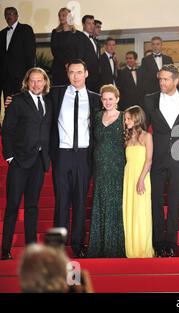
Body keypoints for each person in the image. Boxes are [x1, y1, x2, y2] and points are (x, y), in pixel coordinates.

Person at [49, 59, 102, 258]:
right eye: (72, 72)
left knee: (80, 201)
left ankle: (78, 244)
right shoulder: (56, 93)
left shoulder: (96, 98)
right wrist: (14, 99)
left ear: (86, 73)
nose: (75, 76)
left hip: (84, 155)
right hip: (62, 154)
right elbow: (34, 96)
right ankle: (58, 246)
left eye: (79, 72)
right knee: (61, 201)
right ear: (67, 73)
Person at [142, 64, 179, 257]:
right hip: (156, 156)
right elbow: (142, 127)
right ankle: (157, 243)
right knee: (155, 200)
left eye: (165, 79)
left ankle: (171, 243)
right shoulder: (149, 99)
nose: (161, 82)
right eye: (160, 79)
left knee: (174, 201)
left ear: (176, 80)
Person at [1, 68, 53, 260]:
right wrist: (10, 157)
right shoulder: (17, 101)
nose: (36, 84)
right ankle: (5, 249)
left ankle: (31, 248)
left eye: (40, 81)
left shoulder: (49, 102)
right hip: (20, 162)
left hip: (39, 162)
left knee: (32, 206)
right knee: (13, 205)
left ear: (45, 82)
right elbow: (7, 131)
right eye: (32, 81)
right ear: (27, 82)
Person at [88, 84, 126, 258]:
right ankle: (99, 245)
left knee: (115, 203)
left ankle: (115, 246)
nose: (107, 101)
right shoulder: (96, 117)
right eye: (104, 98)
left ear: (117, 99)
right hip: (100, 166)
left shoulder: (125, 117)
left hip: (117, 165)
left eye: (111, 98)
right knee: (101, 201)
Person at [122, 105, 154, 258]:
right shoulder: (126, 137)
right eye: (125, 119)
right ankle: (131, 249)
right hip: (128, 177)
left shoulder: (147, 136)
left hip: (142, 177)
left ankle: (142, 248)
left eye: (128, 118)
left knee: (141, 212)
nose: (126, 121)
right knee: (129, 211)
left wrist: (141, 179)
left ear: (136, 119)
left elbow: (148, 160)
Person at [0, 7, 36, 102]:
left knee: (21, 104)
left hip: (21, 77)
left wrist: (28, 76)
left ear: (17, 15)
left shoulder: (25, 29)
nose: (8, 16)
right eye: (6, 14)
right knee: (8, 104)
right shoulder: (2, 33)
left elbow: (30, 53)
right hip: (5, 78)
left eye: (11, 14)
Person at [50, 8, 83, 86]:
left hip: (74, 68)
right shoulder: (55, 32)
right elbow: (54, 50)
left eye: (63, 15)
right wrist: (65, 63)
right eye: (59, 16)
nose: (61, 17)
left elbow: (80, 51)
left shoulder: (78, 34)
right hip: (59, 66)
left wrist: (73, 64)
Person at [78, 15, 100, 92]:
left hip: (96, 77)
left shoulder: (94, 40)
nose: (91, 26)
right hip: (86, 77)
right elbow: (79, 58)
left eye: (93, 23)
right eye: (89, 23)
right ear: (83, 25)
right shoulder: (79, 37)